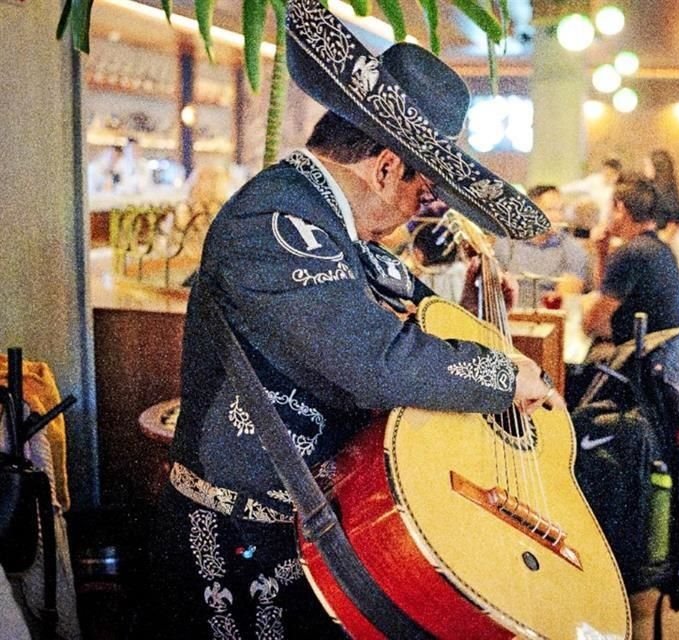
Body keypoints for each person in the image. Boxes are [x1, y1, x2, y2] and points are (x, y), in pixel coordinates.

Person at [145, 3, 560, 636]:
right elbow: (374, 358)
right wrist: (503, 374)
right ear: (386, 165)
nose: (421, 211)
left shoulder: (326, 222)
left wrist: (473, 305)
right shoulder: (276, 223)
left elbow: (408, 305)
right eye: (424, 191)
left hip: (303, 525)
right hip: (238, 538)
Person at [582, 173, 679, 345]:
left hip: (640, 363)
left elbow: (591, 324)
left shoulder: (630, 254)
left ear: (620, 209)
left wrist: (583, 314)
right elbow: (606, 293)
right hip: (666, 356)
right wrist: (602, 253)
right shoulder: (659, 248)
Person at [494, 184, 590, 308]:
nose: (558, 216)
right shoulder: (505, 244)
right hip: (508, 315)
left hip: (549, 318)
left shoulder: (573, 250)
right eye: (550, 210)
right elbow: (495, 289)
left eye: (560, 210)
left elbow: (566, 296)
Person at [644, 149, 679, 276]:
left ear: (657, 167)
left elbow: (674, 222)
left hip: (672, 250)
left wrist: (657, 245)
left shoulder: (666, 192)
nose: (645, 169)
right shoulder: (656, 189)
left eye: (647, 165)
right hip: (665, 246)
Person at [560, 157, 624, 226]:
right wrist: (559, 190)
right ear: (603, 170)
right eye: (606, 171)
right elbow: (578, 186)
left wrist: (601, 225)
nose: (608, 175)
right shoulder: (595, 179)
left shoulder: (616, 191)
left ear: (617, 175)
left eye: (612, 173)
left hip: (598, 219)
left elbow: (607, 211)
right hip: (582, 211)